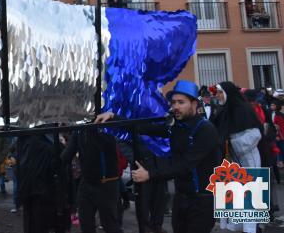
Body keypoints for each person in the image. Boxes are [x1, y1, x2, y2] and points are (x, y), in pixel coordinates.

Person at [95, 80, 221, 233]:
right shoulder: (176, 126)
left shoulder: (205, 130)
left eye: (181, 102)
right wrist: (114, 117)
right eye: (173, 102)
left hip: (202, 200)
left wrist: (150, 174)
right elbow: (144, 127)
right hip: (181, 198)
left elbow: (185, 164)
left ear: (194, 104)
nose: (176, 107)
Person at [212, 82, 262, 233]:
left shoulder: (243, 109)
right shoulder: (222, 111)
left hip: (246, 158)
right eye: (217, 93)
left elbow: (255, 135)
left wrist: (231, 143)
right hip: (229, 158)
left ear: (228, 93)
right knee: (232, 194)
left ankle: (250, 229)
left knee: (248, 194)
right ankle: (234, 227)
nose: (218, 96)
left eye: (220, 93)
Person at [61, 126, 123, 233]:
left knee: (110, 225)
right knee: (86, 224)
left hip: (107, 182)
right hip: (87, 183)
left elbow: (109, 145)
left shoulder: (108, 126)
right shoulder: (80, 130)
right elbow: (66, 156)